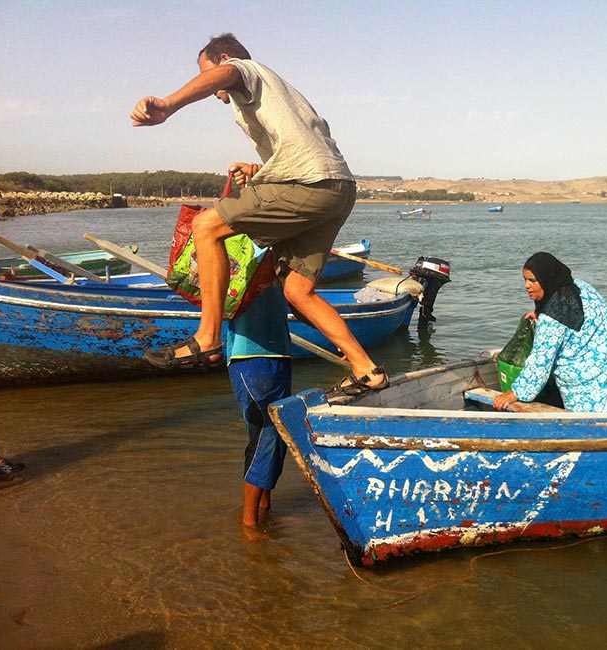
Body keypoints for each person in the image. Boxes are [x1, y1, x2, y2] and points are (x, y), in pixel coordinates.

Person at [131, 33, 387, 396]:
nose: (216, 94)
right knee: (299, 291)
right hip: (336, 187)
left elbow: (226, 74)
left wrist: (169, 105)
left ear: (223, 60)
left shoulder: (245, 70)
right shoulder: (278, 94)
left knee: (206, 227)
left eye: (209, 74)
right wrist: (259, 170)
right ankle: (367, 370)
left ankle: (207, 338)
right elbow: (298, 148)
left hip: (309, 183)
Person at [493, 252, 607, 413]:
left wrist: (515, 392)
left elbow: (540, 362)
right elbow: (573, 312)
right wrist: (540, 313)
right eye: (525, 280)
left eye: (532, 280)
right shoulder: (579, 286)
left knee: (601, 425)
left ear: (547, 279)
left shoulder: (552, 320)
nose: (526, 285)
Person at [226, 282, 292, 529]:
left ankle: (265, 510)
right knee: (265, 435)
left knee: (277, 439)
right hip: (249, 357)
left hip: (282, 355)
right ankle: (249, 523)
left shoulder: (280, 259)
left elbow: (299, 301)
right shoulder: (236, 259)